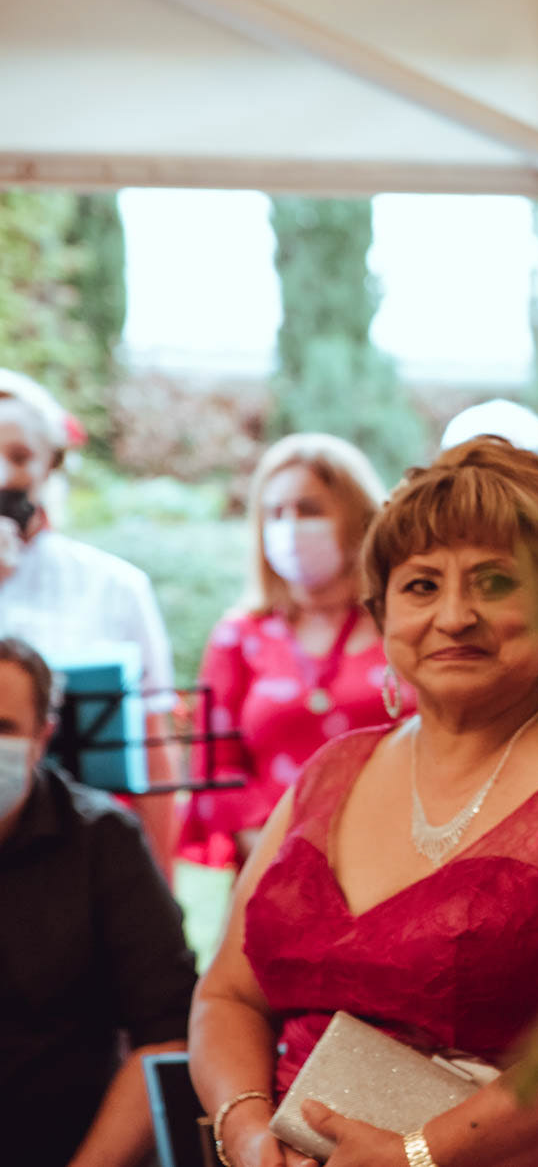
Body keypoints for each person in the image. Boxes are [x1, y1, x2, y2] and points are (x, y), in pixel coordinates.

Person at [189, 438, 538, 1167]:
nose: (454, 616)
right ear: (382, 612)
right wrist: (249, 1134)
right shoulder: (329, 772)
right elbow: (227, 997)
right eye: (421, 586)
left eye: (494, 583)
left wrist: (418, 1155)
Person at [0, 635, 198, 1167]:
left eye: (4, 728)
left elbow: (167, 1032)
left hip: (77, 1147)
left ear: (43, 737)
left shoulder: (104, 839)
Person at [179, 433, 415, 873]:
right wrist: (274, 856)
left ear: (359, 518)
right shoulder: (238, 637)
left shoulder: (406, 624)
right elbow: (216, 770)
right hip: (273, 870)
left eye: (309, 509)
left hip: (400, 862)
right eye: (275, 513)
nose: (290, 527)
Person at [0, 369, 182, 869]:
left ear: (50, 465)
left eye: (20, 457)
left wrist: (161, 881)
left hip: (78, 856)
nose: (3, 475)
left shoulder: (115, 587)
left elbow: (153, 746)